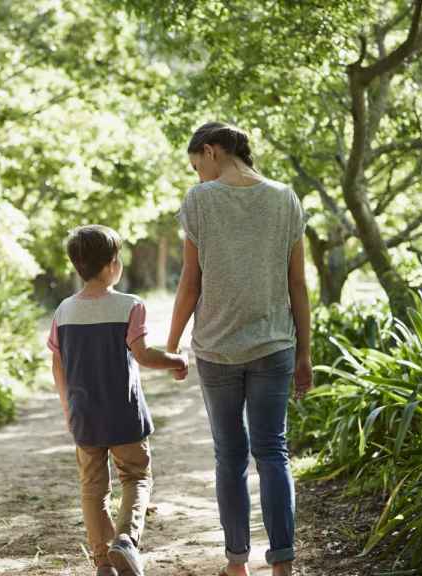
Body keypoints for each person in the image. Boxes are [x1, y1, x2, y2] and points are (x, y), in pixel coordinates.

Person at [165, 122, 313, 576]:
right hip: (274, 345)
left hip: (216, 348)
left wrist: (172, 345)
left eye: (197, 166)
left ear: (212, 151)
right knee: (273, 451)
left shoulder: (200, 201)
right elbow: (298, 284)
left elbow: (191, 282)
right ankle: (283, 563)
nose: (197, 178)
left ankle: (236, 564)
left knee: (229, 456)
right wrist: (305, 354)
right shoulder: (285, 198)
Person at [47, 225, 188, 576]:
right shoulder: (130, 306)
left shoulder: (63, 311)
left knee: (93, 489)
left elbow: (58, 365)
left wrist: (68, 409)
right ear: (112, 265)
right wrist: (176, 360)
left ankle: (103, 563)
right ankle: (125, 541)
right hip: (125, 415)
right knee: (136, 477)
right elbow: (142, 355)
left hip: (85, 417)